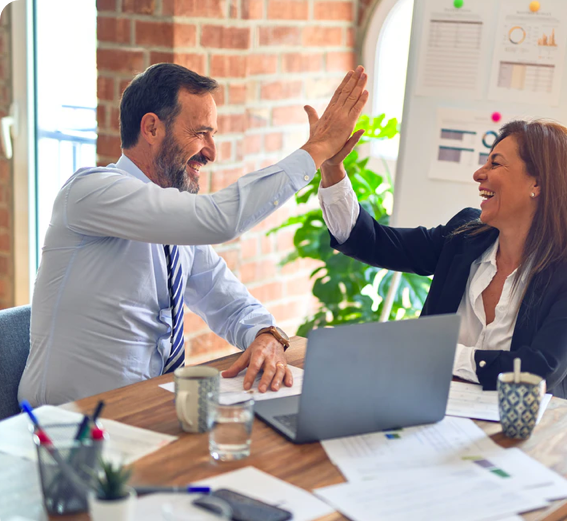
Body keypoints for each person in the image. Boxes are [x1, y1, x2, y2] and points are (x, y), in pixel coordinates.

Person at [19, 63, 368, 406]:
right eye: (201, 133)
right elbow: (219, 220)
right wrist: (317, 150)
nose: (211, 152)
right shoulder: (91, 192)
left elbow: (227, 300)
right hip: (65, 424)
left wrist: (266, 334)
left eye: (212, 135)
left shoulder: (174, 224)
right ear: (152, 128)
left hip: (145, 412)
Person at [317, 119, 567, 398]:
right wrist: (332, 167)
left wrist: (440, 354)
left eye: (495, 163)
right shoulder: (464, 236)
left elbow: (538, 371)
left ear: (537, 184)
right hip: (430, 410)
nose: (479, 174)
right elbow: (372, 242)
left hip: (521, 427)